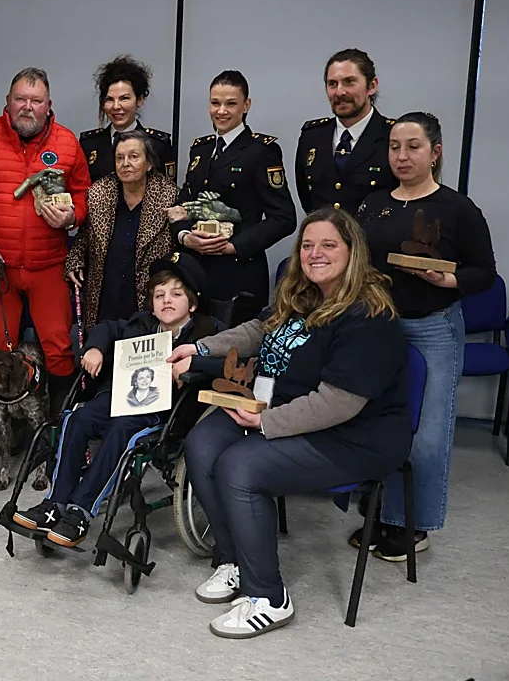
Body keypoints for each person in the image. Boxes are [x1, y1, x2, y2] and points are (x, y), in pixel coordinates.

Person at [173, 207, 411, 639]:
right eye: (307, 245)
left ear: (353, 251)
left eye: (328, 245)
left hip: (355, 435)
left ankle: (268, 597)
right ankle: (234, 559)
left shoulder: (368, 316)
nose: (314, 254)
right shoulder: (302, 297)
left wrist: (266, 423)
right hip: (281, 408)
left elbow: (338, 403)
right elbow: (254, 333)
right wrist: (198, 347)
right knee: (202, 444)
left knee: (240, 466)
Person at [354, 111, 495, 561]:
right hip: (379, 325)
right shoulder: (374, 205)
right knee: (378, 421)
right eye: (395, 147)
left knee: (428, 431)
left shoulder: (458, 208)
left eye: (413, 146)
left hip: (433, 326)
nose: (402, 155)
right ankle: (381, 510)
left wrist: (449, 282)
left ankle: (411, 525)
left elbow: (485, 273)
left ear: (434, 152)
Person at [12, 253, 219, 547]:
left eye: (176, 294)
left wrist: (193, 365)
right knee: (77, 418)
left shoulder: (206, 332)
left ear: (193, 304)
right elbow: (108, 327)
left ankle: (81, 510)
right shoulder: (143, 323)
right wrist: (95, 348)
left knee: (124, 430)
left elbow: (228, 359)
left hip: (161, 412)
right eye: (159, 295)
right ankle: (55, 504)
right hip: (119, 397)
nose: (166, 300)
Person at [0, 67, 91, 401]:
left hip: (49, 265)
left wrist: (72, 216)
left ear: (48, 105)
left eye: (36, 100)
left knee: (57, 346)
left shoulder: (67, 143)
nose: (28, 106)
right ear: (7, 103)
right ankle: (9, 432)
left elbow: (84, 194)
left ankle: (59, 428)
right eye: (20, 99)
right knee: (2, 350)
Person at [170, 70, 295, 311]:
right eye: (215, 103)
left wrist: (233, 246)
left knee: (233, 346)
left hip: (238, 272)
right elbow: (183, 204)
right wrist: (185, 236)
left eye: (231, 104)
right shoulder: (201, 149)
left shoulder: (262, 151)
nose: (221, 111)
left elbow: (284, 218)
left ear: (246, 105)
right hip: (195, 271)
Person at [65, 129, 177, 331]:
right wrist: (76, 259)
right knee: (102, 351)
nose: (125, 163)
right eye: (120, 158)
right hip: (105, 294)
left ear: (149, 163)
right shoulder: (99, 194)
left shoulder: (169, 197)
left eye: (134, 157)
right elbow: (84, 235)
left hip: (148, 298)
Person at [295, 48, 398, 213]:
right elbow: (307, 200)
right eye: (332, 84)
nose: (340, 92)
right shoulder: (312, 136)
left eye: (349, 81)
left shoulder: (393, 136)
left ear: (371, 86)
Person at [79, 55, 177, 182]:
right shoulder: (88, 144)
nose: (116, 106)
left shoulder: (158, 145)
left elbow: (168, 194)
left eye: (124, 98)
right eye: (109, 99)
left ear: (140, 100)